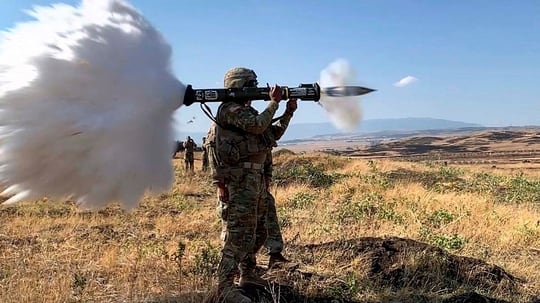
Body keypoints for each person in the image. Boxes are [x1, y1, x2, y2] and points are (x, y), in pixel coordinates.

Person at [207, 67, 294, 303]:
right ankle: (224, 288)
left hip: (253, 180)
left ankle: (248, 274)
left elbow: (269, 135)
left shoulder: (248, 111)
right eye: (251, 83)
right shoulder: (230, 110)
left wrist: (288, 113)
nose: (256, 87)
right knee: (238, 235)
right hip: (238, 181)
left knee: (258, 230)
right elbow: (257, 125)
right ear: (239, 85)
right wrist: (274, 104)